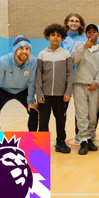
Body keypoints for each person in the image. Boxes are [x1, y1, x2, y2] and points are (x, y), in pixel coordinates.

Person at [35, 24, 74, 153]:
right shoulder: (42, 54)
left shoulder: (66, 54)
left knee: (61, 120)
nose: (55, 38)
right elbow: (38, 75)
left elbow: (70, 74)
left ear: (62, 38)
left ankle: (61, 142)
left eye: (58, 36)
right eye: (53, 35)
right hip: (44, 95)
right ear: (47, 37)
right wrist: (39, 93)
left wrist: (68, 92)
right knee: (43, 120)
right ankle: (42, 144)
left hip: (61, 95)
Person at [0, 35, 38, 132]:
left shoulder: (33, 62)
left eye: (27, 48)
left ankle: (33, 140)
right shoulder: (2, 61)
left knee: (34, 111)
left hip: (23, 90)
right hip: (4, 90)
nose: (24, 51)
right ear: (15, 50)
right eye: (21, 48)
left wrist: (31, 101)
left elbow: (32, 82)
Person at [71, 24, 99, 155]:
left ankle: (90, 137)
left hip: (94, 86)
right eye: (89, 33)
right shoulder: (79, 45)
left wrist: (97, 82)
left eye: (94, 32)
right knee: (81, 113)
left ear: (98, 34)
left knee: (93, 114)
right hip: (79, 84)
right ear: (86, 35)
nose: (91, 35)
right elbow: (73, 60)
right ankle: (83, 140)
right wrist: (84, 48)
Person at [61, 13, 87, 143]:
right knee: (62, 110)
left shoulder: (84, 38)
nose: (74, 23)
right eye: (71, 21)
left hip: (80, 78)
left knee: (80, 109)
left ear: (80, 24)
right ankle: (61, 137)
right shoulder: (61, 38)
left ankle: (79, 134)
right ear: (67, 23)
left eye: (77, 21)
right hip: (64, 78)